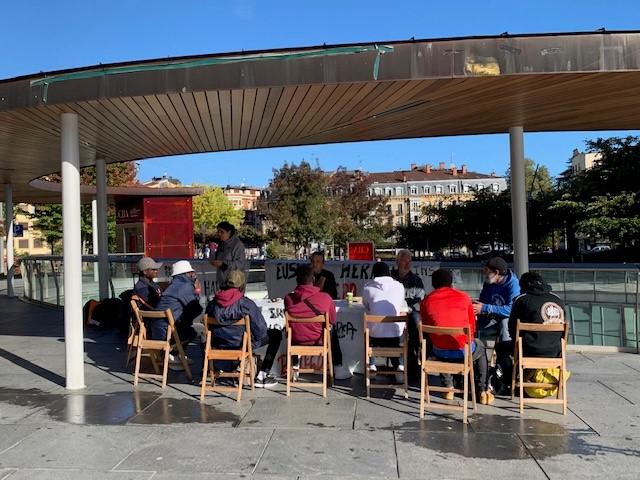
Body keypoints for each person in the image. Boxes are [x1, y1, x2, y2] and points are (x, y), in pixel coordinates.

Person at [420, 268, 494, 405]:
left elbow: (426, 327)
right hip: (463, 350)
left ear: (433, 284)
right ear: (451, 282)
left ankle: (448, 387)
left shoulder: (426, 301)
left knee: (439, 342)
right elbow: (472, 327)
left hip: (439, 351)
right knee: (480, 346)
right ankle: (483, 390)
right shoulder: (464, 297)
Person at [206, 270, 281, 388]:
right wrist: (251, 338)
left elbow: (208, 326)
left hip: (218, 344)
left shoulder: (212, 304)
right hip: (241, 344)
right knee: (276, 334)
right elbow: (261, 331)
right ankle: (262, 374)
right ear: (242, 285)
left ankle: (221, 369)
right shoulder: (246, 304)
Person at [494, 272, 566, 389]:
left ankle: (508, 382)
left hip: (530, 350)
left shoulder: (521, 300)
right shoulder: (557, 300)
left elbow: (512, 329)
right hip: (556, 351)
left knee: (501, 348)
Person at [284, 264, 352, 380]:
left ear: (297, 280)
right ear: (314, 279)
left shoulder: (288, 299)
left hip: (296, 340)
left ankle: (295, 366)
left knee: (292, 329)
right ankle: (338, 367)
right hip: (319, 340)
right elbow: (332, 320)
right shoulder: (325, 298)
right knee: (332, 330)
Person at [363, 261, 406, 380]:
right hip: (396, 337)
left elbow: (365, 306)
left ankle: (371, 364)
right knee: (401, 328)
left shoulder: (368, 287)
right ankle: (400, 366)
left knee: (368, 328)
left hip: (375, 336)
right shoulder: (399, 286)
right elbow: (400, 305)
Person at [391, 249, 426, 380]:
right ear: (397, 262)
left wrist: (407, 309)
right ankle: (398, 364)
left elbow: (420, 301)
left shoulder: (416, 280)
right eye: (403, 261)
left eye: (409, 261)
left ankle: (415, 358)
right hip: (393, 315)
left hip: (410, 314)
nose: (407, 264)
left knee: (417, 320)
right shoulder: (390, 278)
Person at [154, 260, 202, 347]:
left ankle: (175, 354)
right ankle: (174, 353)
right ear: (188, 273)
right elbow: (196, 309)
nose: (194, 275)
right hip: (168, 334)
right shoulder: (185, 286)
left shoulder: (173, 285)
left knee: (184, 321)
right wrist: (197, 291)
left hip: (157, 332)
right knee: (197, 331)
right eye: (192, 272)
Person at [473, 257, 520, 343]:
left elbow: (511, 310)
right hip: (491, 318)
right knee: (473, 328)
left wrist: (484, 308)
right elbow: (483, 302)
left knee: (505, 322)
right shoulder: (488, 282)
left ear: (496, 272)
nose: (484, 272)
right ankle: (480, 353)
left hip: (507, 321)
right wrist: (476, 307)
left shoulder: (513, 284)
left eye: (486, 269)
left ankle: (505, 353)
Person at [211, 221, 247, 289]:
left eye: (222, 232)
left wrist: (224, 264)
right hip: (223, 282)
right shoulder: (221, 245)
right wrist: (212, 251)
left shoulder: (237, 245)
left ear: (229, 232)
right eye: (218, 232)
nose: (219, 234)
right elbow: (213, 261)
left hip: (234, 283)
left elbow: (240, 263)